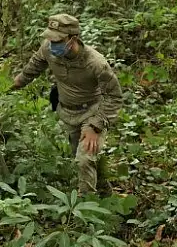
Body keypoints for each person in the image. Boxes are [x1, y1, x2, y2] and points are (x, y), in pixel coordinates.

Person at [12, 14, 123, 195]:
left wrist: (95, 126)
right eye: (50, 39)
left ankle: (85, 208)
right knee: (82, 159)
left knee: (84, 160)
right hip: (68, 113)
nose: (53, 44)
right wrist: (18, 82)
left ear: (73, 39)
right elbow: (36, 63)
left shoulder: (96, 63)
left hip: (93, 112)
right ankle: (106, 194)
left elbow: (114, 96)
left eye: (58, 40)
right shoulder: (48, 49)